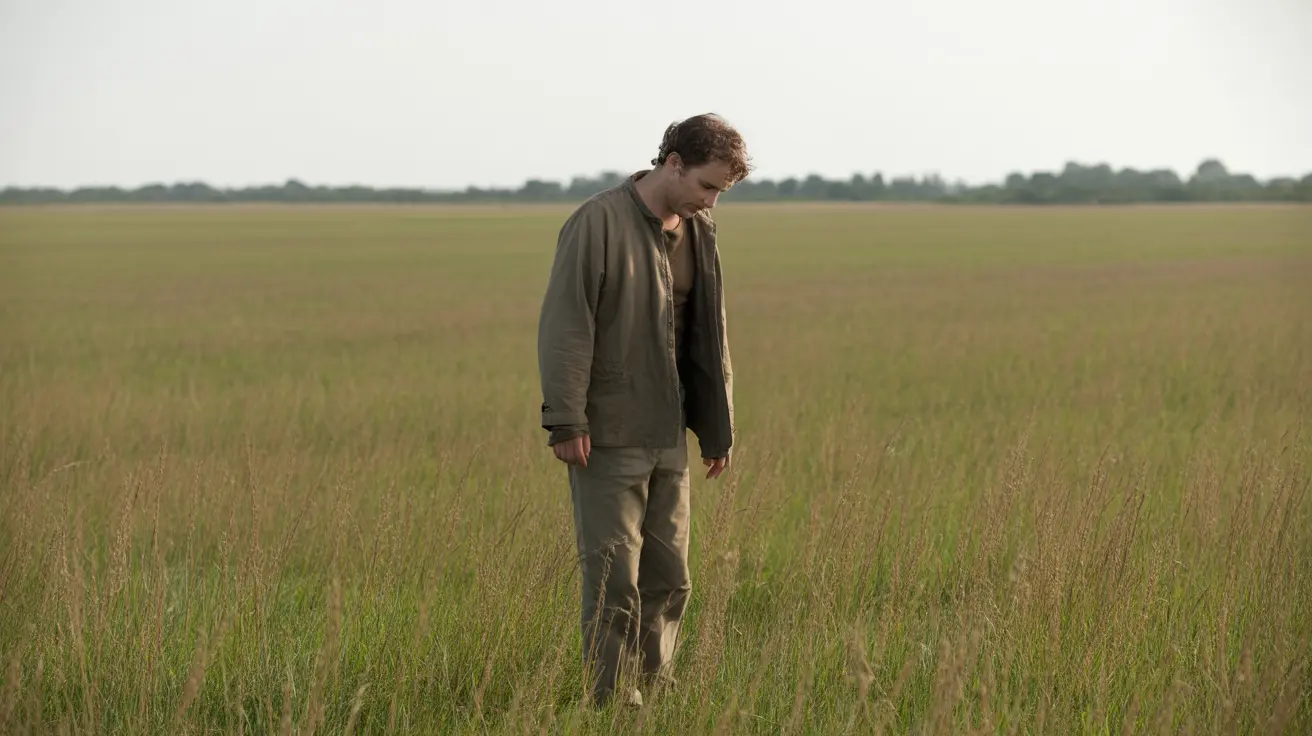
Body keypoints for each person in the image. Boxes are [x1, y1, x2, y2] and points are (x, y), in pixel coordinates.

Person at [536, 113, 751, 708]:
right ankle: (607, 700)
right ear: (674, 162)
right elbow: (565, 325)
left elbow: (712, 333)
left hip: (668, 433)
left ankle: (655, 696)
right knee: (613, 582)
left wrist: (717, 426)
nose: (712, 201)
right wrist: (566, 418)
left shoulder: (701, 229)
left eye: (721, 192)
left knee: (670, 577)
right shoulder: (597, 222)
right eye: (707, 186)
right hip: (605, 434)